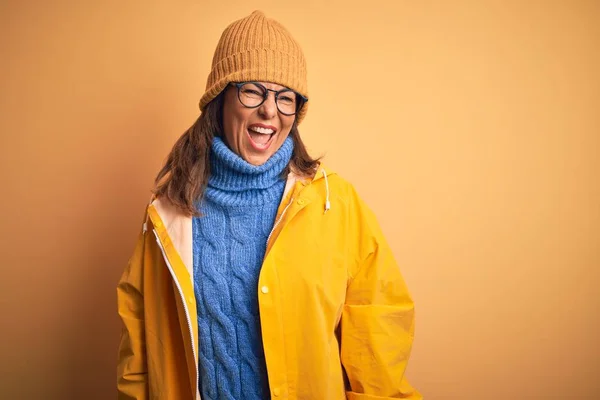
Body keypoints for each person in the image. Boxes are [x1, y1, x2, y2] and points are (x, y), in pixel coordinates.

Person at [117, 10, 421, 400]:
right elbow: (139, 346)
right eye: (253, 91)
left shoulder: (335, 204)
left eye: (285, 97)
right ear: (220, 99)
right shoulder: (167, 215)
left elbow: (378, 337)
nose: (269, 110)